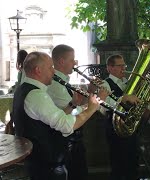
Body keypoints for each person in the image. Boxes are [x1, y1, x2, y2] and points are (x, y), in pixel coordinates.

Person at [12, 51, 100, 180]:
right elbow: (66, 125)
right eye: (50, 67)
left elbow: (50, 120)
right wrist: (91, 109)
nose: (53, 72)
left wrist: (72, 104)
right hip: (46, 166)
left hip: (39, 162)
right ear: (38, 70)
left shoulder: (24, 89)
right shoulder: (36, 95)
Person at [47, 44, 108, 180]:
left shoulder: (63, 80)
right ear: (62, 61)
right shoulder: (57, 85)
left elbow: (75, 105)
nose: (75, 63)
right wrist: (99, 101)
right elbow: (71, 114)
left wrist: (91, 91)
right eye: (72, 59)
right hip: (65, 141)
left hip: (72, 140)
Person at [99, 54, 141, 180]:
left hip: (130, 125)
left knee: (133, 161)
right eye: (120, 65)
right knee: (118, 163)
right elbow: (104, 105)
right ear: (110, 68)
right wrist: (124, 98)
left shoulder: (127, 82)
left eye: (124, 65)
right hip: (114, 127)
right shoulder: (105, 84)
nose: (124, 68)